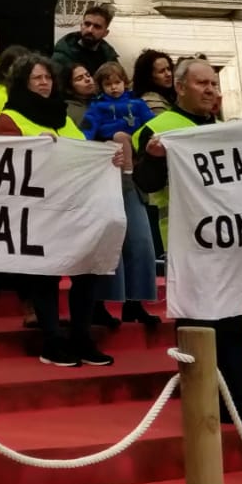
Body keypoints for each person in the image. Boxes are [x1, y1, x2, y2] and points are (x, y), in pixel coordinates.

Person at [134, 57, 242, 430]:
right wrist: (151, 157)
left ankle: (236, 402)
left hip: (229, 245)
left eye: (214, 84)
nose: (212, 91)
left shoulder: (224, 130)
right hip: (188, 246)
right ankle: (200, 402)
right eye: (203, 84)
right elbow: (146, 185)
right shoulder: (157, 128)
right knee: (199, 328)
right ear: (180, 87)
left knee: (234, 326)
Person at [0, 53, 120, 368]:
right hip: (39, 212)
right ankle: (52, 341)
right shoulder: (8, 118)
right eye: (36, 78)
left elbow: (83, 153)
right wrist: (31, 145)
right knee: (46, 278)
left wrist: (106, 158)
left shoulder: (62, 117)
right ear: (23, 83)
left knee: (86, 274)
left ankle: (81, 337)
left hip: (76, 209)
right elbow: (1, 164)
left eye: (47, 77)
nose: (44, 83)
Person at [84, 61, 159, 331]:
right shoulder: (96, 108)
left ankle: (135, 303)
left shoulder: (138, 105)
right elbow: (87, 134)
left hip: (134, 176)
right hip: (107, 175)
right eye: (108, 84)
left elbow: (152, 128)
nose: (114, 88)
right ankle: (102, 303)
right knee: (112, 241)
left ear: (125, 82)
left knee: (140, 242)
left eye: (117, 82)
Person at [52, 3, 120, 80]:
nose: (90, 30)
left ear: (105, 33)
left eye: (97, 27)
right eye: (87, 24)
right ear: (81, 26)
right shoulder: (63, 57)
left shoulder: (109, 57)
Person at [133, 49, 176, 115]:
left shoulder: (169, 95)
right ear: (148, 76)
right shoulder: (152, 104)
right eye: (161, 71)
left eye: (169, 69)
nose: (168, 74)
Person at [63, 62, 99, 130]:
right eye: (79, 79)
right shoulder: (68, 111)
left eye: (88, 75)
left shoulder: (104, 99)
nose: (87, 79)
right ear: (69, 89)